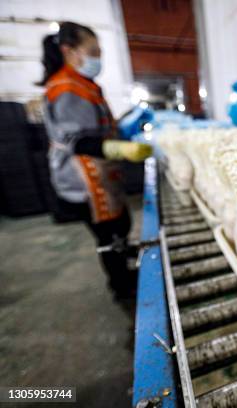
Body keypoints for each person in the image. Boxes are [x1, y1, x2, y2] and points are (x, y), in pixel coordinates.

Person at [38, 22, 152, 299]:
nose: (97, 57)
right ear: (70, 51)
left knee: (119, 224)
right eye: (92, 51)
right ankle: (121, 285)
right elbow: (79, 141)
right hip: (82, 175)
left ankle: (124, 271)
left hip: (97, 169)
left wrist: (124, 128)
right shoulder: (66, 87)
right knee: (108, 232)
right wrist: (122, 149)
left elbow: (97, 128)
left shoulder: (82, 84)